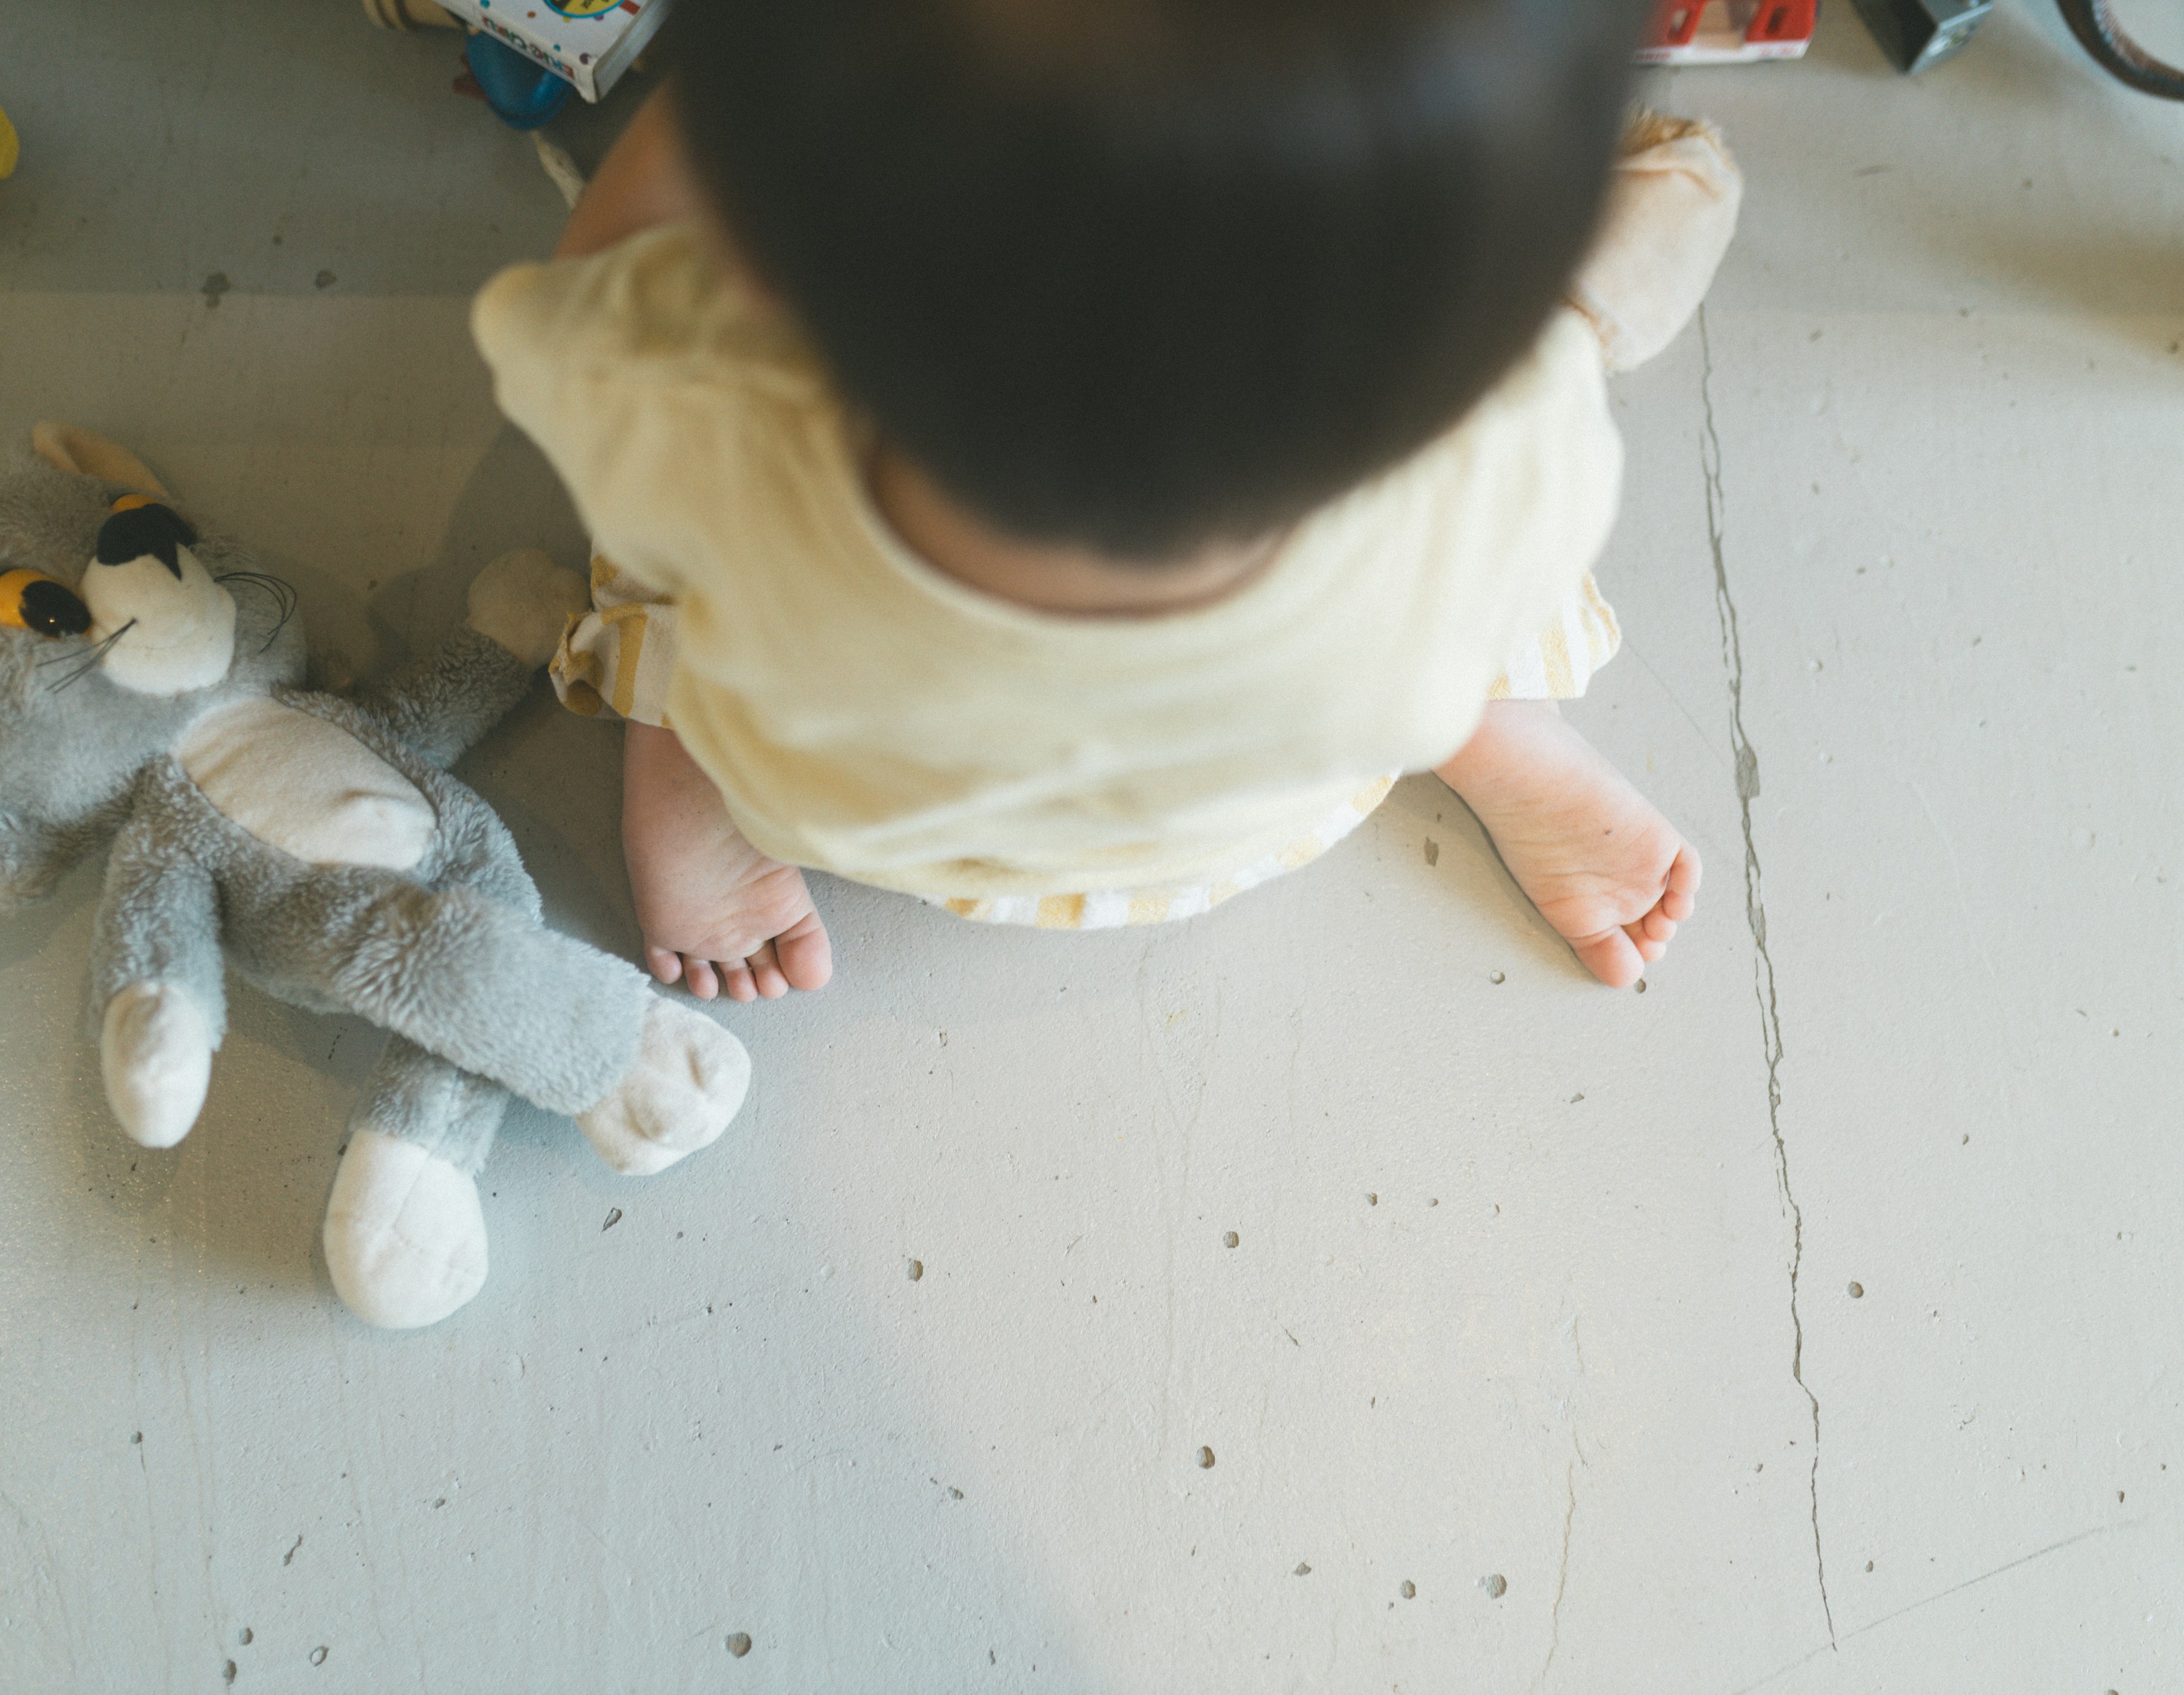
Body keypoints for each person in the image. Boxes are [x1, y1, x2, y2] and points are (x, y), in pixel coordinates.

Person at [470, 0, 1740, 1002]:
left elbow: (568, 307)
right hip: (1286, 782)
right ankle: (1489, 732)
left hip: (878, 803)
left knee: (657, 512)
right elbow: (1622, 250)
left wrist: (730, 97)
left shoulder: (729, 409)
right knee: (1455, 573)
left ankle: (687, 776)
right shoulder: (1524, 411)